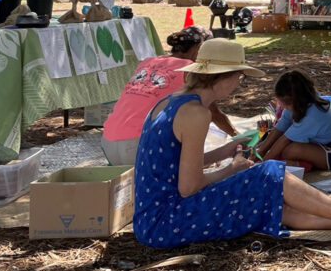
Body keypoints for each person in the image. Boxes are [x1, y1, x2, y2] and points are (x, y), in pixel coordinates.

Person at [133, 39, 331, 248]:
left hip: (151, 220)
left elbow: (171, 164)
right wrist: (233, 168)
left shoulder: (170, 102)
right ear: (223, 76)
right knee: (271, 173)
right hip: (169, 220)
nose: (239, 82)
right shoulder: (197, 113)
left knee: (273, 205)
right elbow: (189, 186)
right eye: (239, 76)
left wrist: (223, 152)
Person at [101, 26, 238, 166]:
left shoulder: (147, 62)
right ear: (199, 48)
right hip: (139, 144)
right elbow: (214, 113)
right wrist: (237, 136)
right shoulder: (189, 70)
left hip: (108, 140)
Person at [256, 70, 331, 171]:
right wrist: (260, 152)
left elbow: (285, 139)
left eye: (283, 103)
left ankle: (304, 164)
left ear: (294, 101)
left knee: (289, 151)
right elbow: (280, 127)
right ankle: (304, 162)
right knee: (279, 149)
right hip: (320, 145)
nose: (281, 106)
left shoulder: (313, 113)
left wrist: (263, 163)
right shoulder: (298, 102)